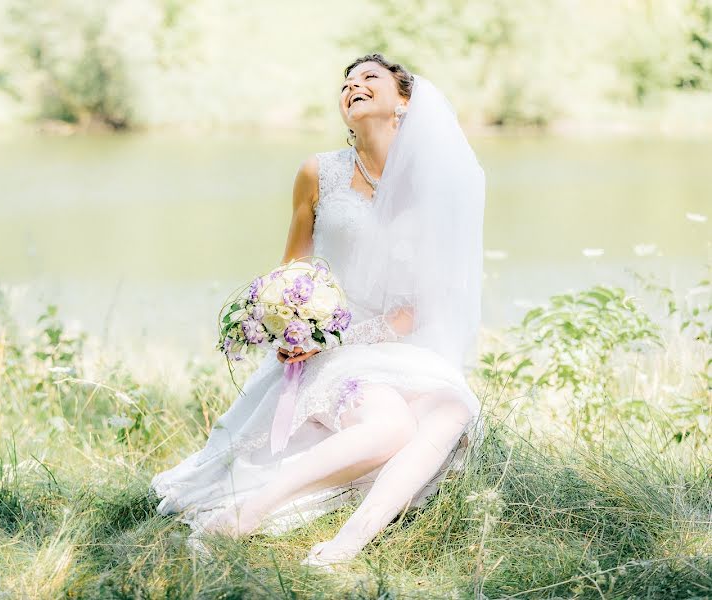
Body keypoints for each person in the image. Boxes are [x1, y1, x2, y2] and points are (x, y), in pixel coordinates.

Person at [151, 53, 486, 568]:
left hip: (398, 344)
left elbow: (418, 308)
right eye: (346, 83)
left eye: (369, 78)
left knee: (453, 409)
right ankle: (244, 515)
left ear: (404, 101)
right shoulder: (319, 172)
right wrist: (294, 322)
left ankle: (350, 542)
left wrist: (342, 338)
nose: (352, 87)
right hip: (326, 347)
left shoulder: (431, 185)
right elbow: (293, 268)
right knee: (392, 428)